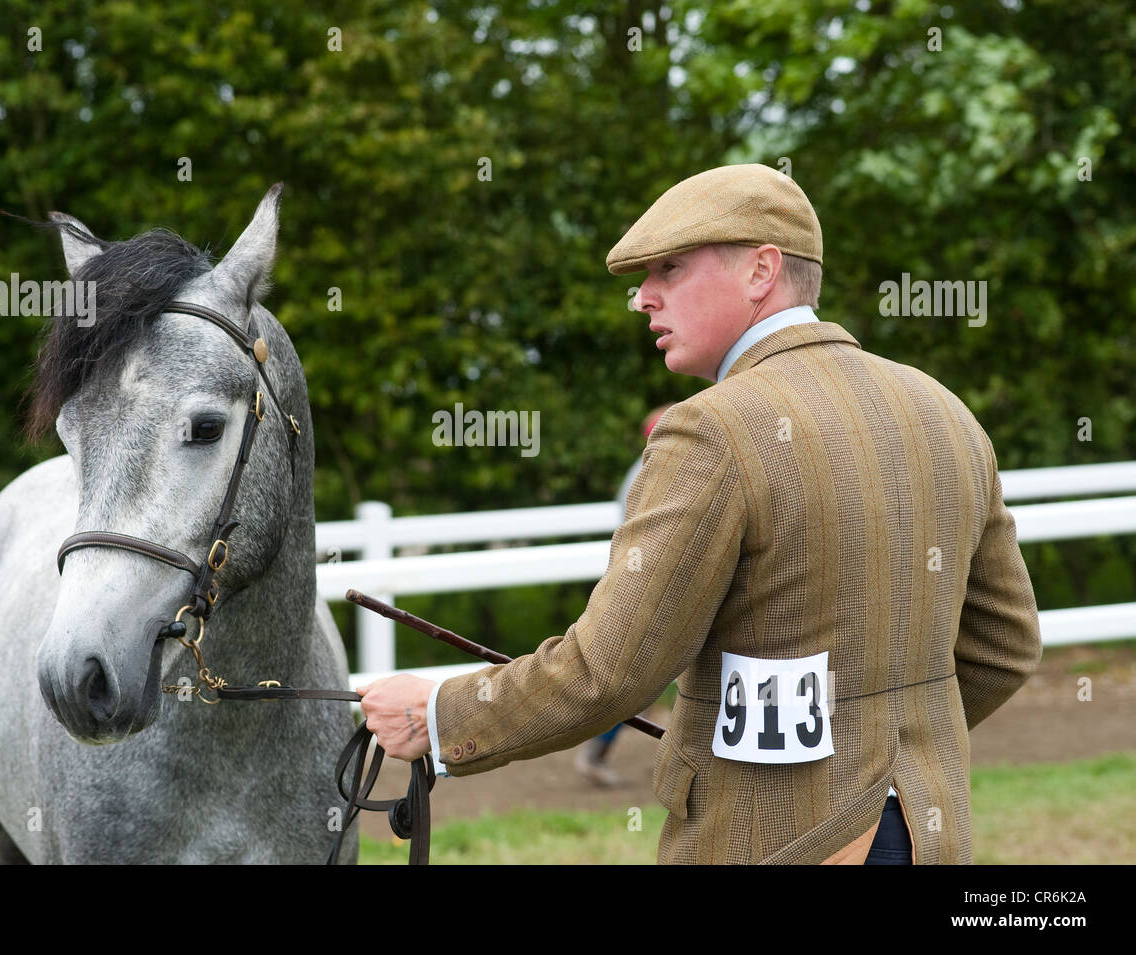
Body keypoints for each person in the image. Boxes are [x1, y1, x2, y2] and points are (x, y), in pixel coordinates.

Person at [358, 163, 1042, 864]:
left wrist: (438, 715)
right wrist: (882, 740)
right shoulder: (941, 410)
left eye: (670, 269)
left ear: (760, 271)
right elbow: (1005, 645)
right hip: (934, 834)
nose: (643, 298)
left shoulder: (710, 430)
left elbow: (608, 671)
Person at [574, 403, 674, 787]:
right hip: (653, 586)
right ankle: (597, 752)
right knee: (641, 680)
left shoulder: (646, 466)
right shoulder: (656, 470)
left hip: (644, 581)